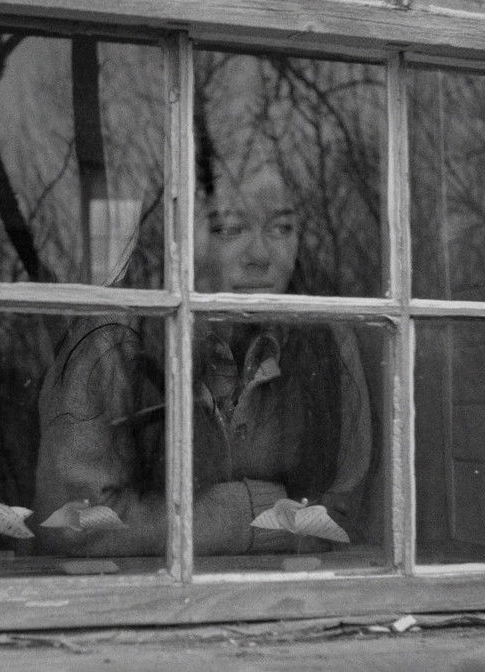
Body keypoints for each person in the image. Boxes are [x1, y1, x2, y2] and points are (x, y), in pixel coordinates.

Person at [32, 166, 373, 556]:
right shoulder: (115, 343)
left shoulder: (326, 340)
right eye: (230, 229)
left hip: (294, 590)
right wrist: (251, 515)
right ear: (184, 239)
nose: (261, 256)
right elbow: (71, 523)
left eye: (281, 228)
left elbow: (344, 512)